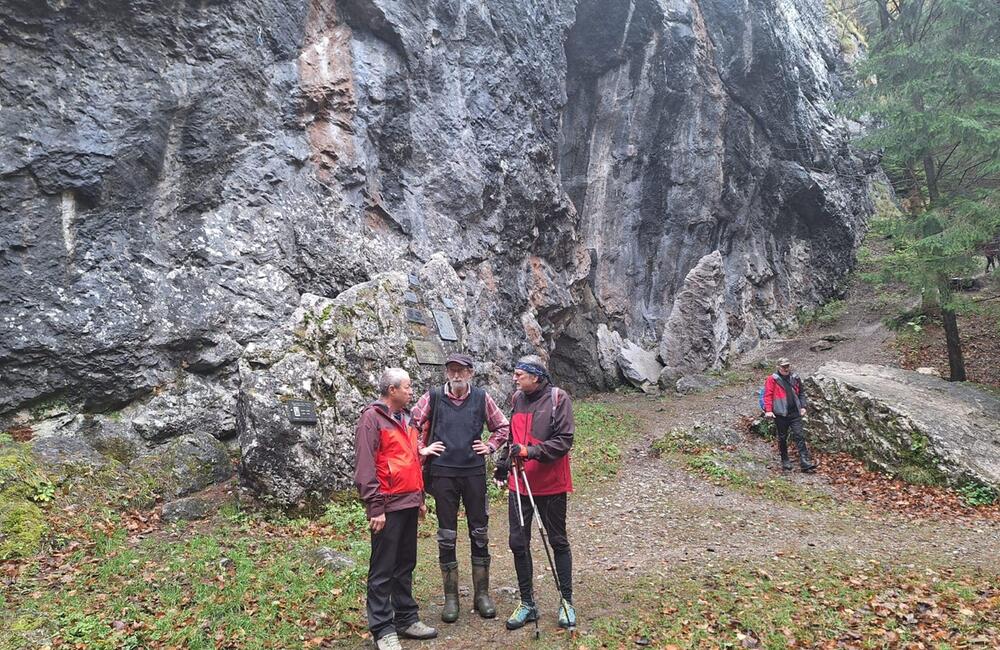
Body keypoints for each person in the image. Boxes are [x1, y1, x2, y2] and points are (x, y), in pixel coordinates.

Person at [410, 352, 510, 623]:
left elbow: (502, 426)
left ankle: (482, 595)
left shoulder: (481, 397)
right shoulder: (432, 397)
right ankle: (451, 598)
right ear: (446, 373)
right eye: (452, 370)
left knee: (479, 531)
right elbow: (411, 424)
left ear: (470, 373)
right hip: (442, 474)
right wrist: (422, 448)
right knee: (446, 534)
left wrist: (489, 446)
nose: (456, 374)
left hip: (473, 473)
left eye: (461, 370)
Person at [354, 368, 442, 650]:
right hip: (387, 506)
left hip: (408, 502)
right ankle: (383, 628)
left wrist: (419, 498)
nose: (411, 391)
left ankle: (406, 619)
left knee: (405, 563)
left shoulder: (408, 418)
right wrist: (375, 507)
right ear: (392, 390)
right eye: (407, 387)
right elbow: (365, 465)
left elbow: (411, 459)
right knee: (383, 568)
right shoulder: (372, 418)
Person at [494, 355, 577, 631]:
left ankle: (566, 601)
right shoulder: (517, 399)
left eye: (520, 374)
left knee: (557, 540)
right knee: (518, 541)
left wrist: (531, 451)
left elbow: (564, 441)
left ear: (536, 376)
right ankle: (527, 603)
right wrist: (504, 465)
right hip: (520, 484)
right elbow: (512, 439)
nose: (515, 378)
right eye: (515, 373)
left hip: (550, 484)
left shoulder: (558, 398)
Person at [763, 357, 818, 472]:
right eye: (783, 366)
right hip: (780, 414)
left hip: (794, 413)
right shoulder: (772, 379)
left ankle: (805, 462)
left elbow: (801, 393)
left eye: (787, 366)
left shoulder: (795, 378)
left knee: (800, 436)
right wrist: (768, 410)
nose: (786, 368)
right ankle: (785, 460)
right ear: (778, 367)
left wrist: (803, 406)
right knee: (782, 437)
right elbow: (768, 395)